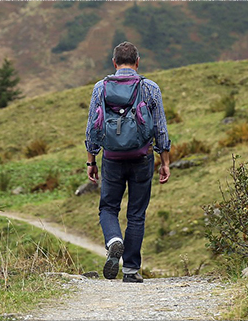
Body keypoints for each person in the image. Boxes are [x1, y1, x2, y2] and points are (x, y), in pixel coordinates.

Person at [85, 41, 171, 283]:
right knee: (136, 213)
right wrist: (164, 160)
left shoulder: (100, 88)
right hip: (142, 157)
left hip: (111, 158)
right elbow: (160, 128)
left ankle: (114, 240)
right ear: (137, 62)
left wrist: (91, 160)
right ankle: (131, 270)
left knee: (108, 207)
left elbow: (92, 126)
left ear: (114, 63)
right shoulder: (150, 87)